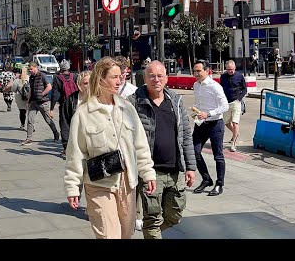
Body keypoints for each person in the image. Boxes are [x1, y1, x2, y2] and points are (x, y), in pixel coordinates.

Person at [64, 56, 157, 239]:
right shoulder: (84, 113)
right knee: (109, 235)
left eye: (120, 76)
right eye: (114, 77)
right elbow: (75, 154)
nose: (119, 80)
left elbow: (140, 144)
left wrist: (148, 173)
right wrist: (73, 187)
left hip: (127, 184)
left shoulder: (127, 108)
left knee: (125, 234)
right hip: (99, 184)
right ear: (100, 79)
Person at [128, 60, 196, 239]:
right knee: (152, 218)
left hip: (175, 170)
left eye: (160, 76)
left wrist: (191, 167)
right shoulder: (134, 102)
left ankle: (152, 234)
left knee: (175, 216)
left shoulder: (175, 100)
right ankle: (152, 233)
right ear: (145, 78)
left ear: (166, 78)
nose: (156, 79)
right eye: (152, 76)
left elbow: (186, 135)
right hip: (151, 172)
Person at [192, 60, 229, 196]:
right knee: (194, 152)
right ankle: (206, 179)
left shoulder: (215, 86)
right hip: (201, 123)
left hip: (215, 124)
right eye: (194, 71)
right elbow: (201, 102)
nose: (195, 74)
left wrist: (208, 114)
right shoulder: (196, 85)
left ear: (207, 71)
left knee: (218, 156)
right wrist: (197, 111)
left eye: (198, 71)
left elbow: (225, 106)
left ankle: (219, 184)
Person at [23, 62, 60, 146]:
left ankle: (56, 133)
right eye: (29, 70)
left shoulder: (42, 75)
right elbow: (30, 90)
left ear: (36, 68)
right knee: (30, 119)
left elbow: (49, 86)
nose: (30, 71)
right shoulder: (31, 77)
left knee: (48, 120)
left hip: (43, 102)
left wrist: (42, 94)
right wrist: (28, 102)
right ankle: (29, 138)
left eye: (31, 69)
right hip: (33, 102)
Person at [60, 70, 91, 159]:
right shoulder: (71, 99)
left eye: (91, 82)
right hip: (76, 141)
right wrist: (66, 144)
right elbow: (65, 121)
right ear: (79, 84)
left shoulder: (98, 98)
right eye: (85, 83)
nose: (89, 86)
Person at [219, 60, 247, 152]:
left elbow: (244, 89)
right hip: (226, 103)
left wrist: (239, 98)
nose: (230, 71)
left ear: (235, 68)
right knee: (226, 122)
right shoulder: (223, 77)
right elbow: (221, 88)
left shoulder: (239, 76)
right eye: (228, 69)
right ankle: (236, 133)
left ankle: (233, 143)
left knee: (235, 122)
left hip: (236, 102)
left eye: (232, 69)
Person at [50, 59, 78, 138]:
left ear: (61, 68)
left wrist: (52, 108)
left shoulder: (57, 78)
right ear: (68, 68)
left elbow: (55, 94)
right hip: (75, 102)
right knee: (75, 123)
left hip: (64, 102)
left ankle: (66, 146)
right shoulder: (75, 76)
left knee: (64, 123)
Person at [8, 66, 30, 131]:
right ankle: (31, 126)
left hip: (20, 98)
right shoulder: (30, 79)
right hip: (29, 98)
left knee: (22, 112)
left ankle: (22, 125)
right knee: (30, 113)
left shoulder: (17, 80)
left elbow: (13, 89)